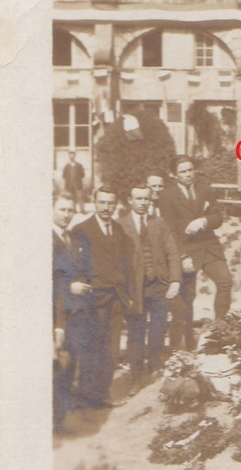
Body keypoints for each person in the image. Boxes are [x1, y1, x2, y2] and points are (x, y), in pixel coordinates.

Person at [159, 156, 233, 347]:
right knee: (187, 297)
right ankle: (187, 342)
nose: (188, 175)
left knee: (225, 281)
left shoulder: (205, 189)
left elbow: (218, 216)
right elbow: (171, 231)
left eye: (190, 170)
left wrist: (204, 221)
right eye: (183, 172)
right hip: (186, 249)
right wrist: (182, 257)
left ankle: (219, 330)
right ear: (174, 175)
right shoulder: (167, 196)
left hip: (208, 245)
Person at [71, 186, 132, 409]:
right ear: (94, 203)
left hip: (115, 297)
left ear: (116, 204)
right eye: (102, 202)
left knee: (111, 348)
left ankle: (102, 393)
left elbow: (123, 263)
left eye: (111, 203)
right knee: (91, 346)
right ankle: (85, 396)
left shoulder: (117, 229)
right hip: (92, 297)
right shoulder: (81, 229)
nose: (107, 207)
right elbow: (74, 265)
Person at [118, 183, 181, 395]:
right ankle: (135, 377)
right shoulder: (120, 225)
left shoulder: (159, 223)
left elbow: (172, 251)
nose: (143, 203)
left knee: (158, 328)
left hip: (159, 285)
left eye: (146, 199)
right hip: (134, 288)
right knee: (136, 332)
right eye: (138, 199)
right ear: (130, 200)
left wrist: (175, 281)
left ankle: (154, 368)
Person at [52, 192, 87, 432]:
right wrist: (70, 287)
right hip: (53, 314)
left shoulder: (72, 239)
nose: (66, 215)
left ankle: (59, 420)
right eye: (62, 209)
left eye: (70, 210)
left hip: (72, 313)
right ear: (52, 209)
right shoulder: (46, 239)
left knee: (68, 367)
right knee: (53, 370)